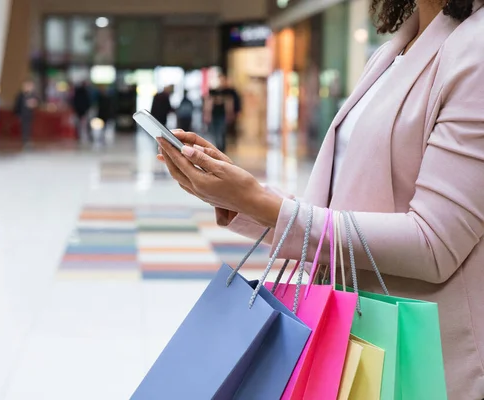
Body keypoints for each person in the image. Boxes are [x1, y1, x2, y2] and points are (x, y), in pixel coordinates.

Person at [157, 1, 484, 398]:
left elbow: (435, 242)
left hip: (421, 359)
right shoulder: (397, 47)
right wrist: (239, 197)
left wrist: (263, 202)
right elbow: (347, 203)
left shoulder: (475, 49)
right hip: (353, 332)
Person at [204, 74, 234, 152]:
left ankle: (221, 148)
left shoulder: (228, 91)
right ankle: (217, 147)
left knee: (222, 131)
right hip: (214, 114)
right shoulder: (213, 91)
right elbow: (208, 103)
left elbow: (229, 104)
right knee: (214, 131)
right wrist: (207, 114)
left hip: (222, 115)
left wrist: (229, 114)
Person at [13, 80, 39, 146]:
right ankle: (25, 141)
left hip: (30, 114)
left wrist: (34, 104)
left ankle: (28, 140)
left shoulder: (34, 95)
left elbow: (38, 103)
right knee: (24, 127)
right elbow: (17, 105)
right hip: (23, 114)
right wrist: (17, 114)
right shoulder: (20, 95)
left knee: (28, 127)